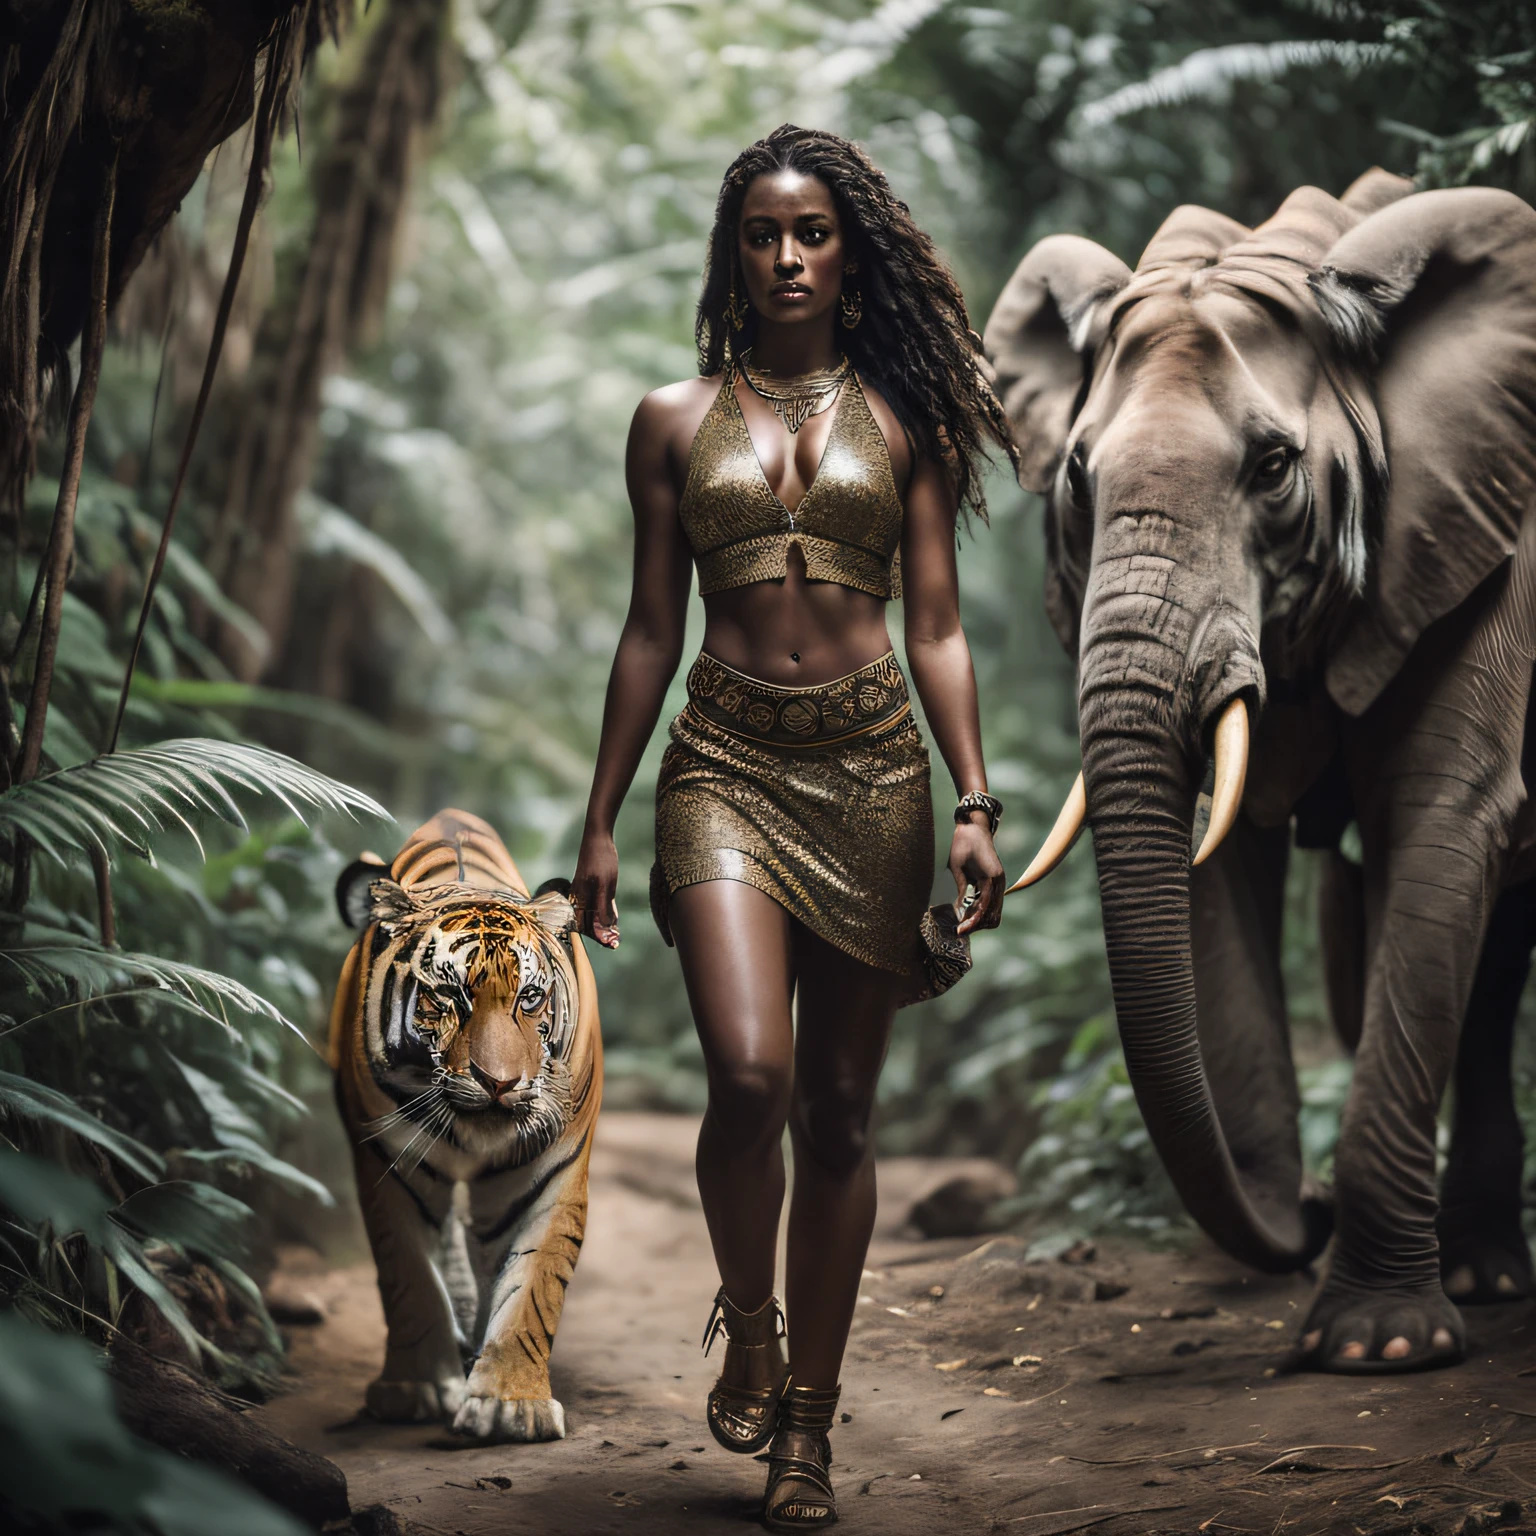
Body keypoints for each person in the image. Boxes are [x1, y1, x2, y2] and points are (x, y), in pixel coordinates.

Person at [573, 123, 1013, 1532]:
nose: (784, 255)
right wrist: (596, 823)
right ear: (733, 255)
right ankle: (747, 1316)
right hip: (721, 766)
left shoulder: (905, 424)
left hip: (878, 773)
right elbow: (650, 630)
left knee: (835, 1112)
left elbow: (934, 626)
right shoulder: (665, 419)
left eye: (811, 231)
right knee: (751, 1077)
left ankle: (806, 1434)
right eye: (760, 234)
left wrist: (975, 800)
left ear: (849, 252)